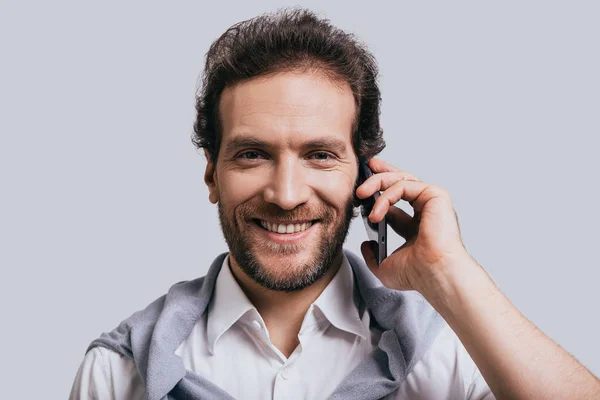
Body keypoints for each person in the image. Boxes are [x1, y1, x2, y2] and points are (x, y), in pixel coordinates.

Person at [69, 7, 600, 400]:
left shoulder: (452, 355)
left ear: (364, 174)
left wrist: (451, 275)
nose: (286, 194)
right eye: (252, 154)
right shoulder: (118, 374)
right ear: (212, 174)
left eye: (320, 155)